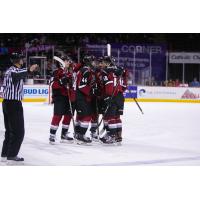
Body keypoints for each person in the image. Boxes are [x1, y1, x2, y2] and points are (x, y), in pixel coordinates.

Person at [1, 52, 38, 164]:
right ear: (18, 60)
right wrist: (29, 70)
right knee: (19, 131)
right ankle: (12, 155)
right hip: (13, 104)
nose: (23, 60)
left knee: (10, 130)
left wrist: (29, 71)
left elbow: (20, 74)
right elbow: (17, 75)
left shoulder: (8, 70)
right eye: (22, 59)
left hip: (7, 103)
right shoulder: (13, 71)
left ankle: (5, 153)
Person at [99, 56, 128, 144]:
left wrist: (108, 96)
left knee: (111, 117)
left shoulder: (106, 71)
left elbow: (109, 84)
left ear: (107, 63)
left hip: (112, 95)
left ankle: (111, 136)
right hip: (120, 96)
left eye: (103, 62)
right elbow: (124, 86)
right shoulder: (119, 70)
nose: (102, 64)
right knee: (117, 117)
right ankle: (118, 136)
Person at [49, 56, 74, 144]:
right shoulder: (56, 72)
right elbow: (52, 84)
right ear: (61, 62)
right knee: (57, 116)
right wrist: (61, 81)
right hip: (59, 97)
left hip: (68, 97)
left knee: (68, 116)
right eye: (67, 61)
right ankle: (52, 135)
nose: (69, 62)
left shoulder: (69, 72)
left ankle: (64, 135)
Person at [74, 55, 94, 144]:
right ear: (89, 62)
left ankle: (77, 134)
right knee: (87, 116)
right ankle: (81, 136)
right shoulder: (86, 71)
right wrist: (91, 91)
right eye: (93, 61)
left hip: (78, 96)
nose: (94, 63)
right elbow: (82, 85)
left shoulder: (81, 70)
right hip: (82, 97)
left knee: (80, 116)